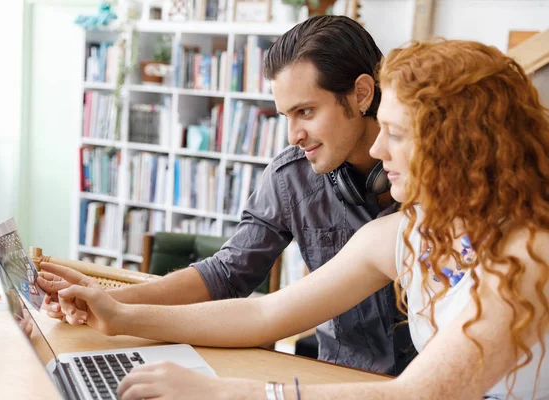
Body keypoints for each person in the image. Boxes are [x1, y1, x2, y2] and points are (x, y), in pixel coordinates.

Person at [44, 39, 549, 399]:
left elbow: (418, 393)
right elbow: (266, 313)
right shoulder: (406, 234)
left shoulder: (530, 256)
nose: (377, 147)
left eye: (395, 134)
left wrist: (221, 394)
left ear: (456, 145)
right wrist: (119, 314)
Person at [39, 15, 414, 375]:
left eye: (306, 111)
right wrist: (110, 299)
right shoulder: (291, 176)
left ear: (361, 94)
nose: (293, 135)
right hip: (341, 375)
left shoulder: (436, 185)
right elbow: (227, 278)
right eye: (286, 115)